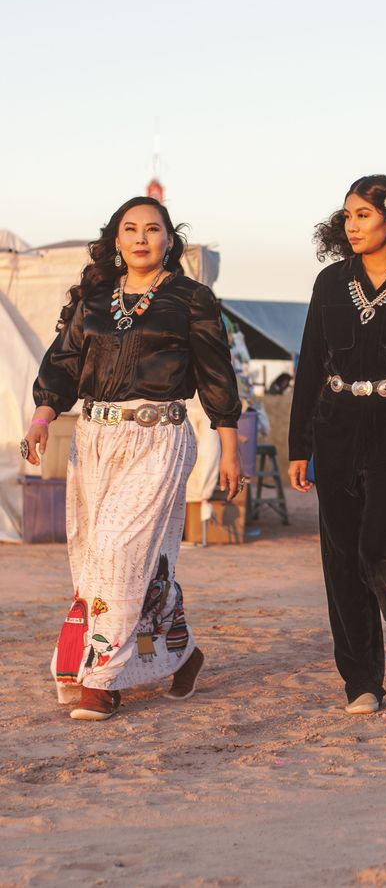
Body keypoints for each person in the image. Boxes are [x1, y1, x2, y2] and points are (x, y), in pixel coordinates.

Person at [22, 196, 242, 721]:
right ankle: (179, 650)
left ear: (169, 239)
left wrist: (229, 447)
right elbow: (64, 363)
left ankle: (102, 679)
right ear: (116, 240)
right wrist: (41, 417)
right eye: (130, 229)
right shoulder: (94, 300)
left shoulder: (192, 299)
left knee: (119, 552)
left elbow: (216, 376)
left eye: (153, 228)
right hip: (94, 439)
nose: (142, 237)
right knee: (98, 555)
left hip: (159, 437)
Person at [288, 176, 386, 714]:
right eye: (347, 216)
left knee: (376, 544)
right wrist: (298, 445)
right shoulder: (330, 282)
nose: (351, 225)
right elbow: (309, 363)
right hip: (335, 424)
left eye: (363, 215)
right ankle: (362, 682)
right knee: (339, 559)